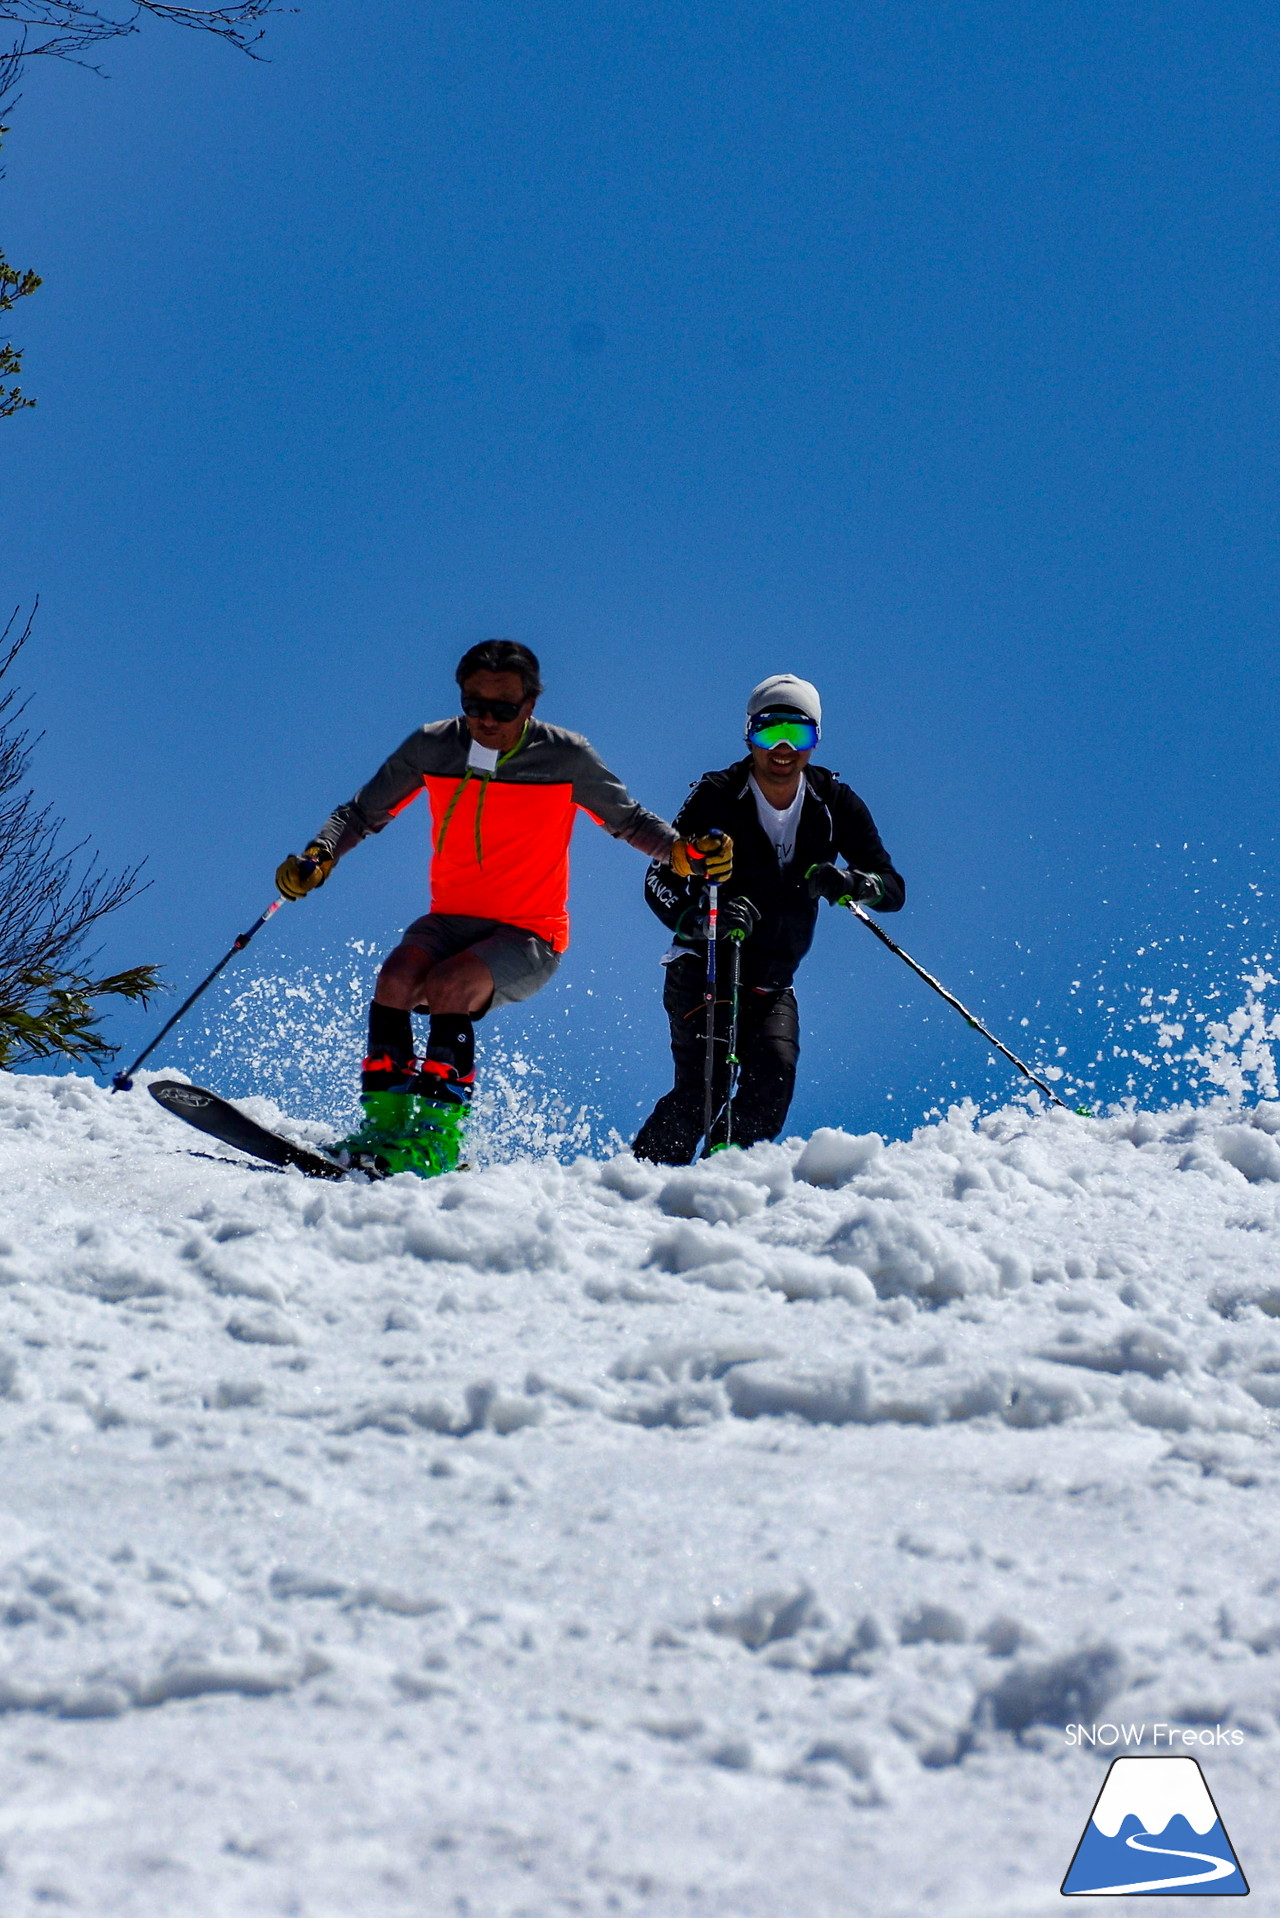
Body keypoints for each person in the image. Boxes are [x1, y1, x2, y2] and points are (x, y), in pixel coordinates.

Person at [275, 640, 731, 1176]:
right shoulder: (433, 747)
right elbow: (359, 813)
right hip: (449, 920)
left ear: (530, 705)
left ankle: (436, 1140)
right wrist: (320, 854)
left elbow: (628, 821)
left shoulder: (566, 757)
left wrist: (680, 852)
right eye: (474, 705)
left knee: (449, 986)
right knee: (396, 978)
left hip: (530, 934)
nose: (486, 720)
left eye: (503, 708)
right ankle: (385, 1128)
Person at [633, 673, 904, 1164]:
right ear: (748, 736)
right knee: (704, 1091)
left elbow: (892, 887)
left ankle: (721, 1186)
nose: (782, 748)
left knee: (772, 1085)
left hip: (774, 982)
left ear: (816, 741)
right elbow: (658, 881)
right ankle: (639, 1190)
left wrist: (850, 882)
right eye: (767, 732)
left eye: (798, 734)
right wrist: (703, 919)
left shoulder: (833, 802)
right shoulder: (717, 795)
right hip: (707, 965)